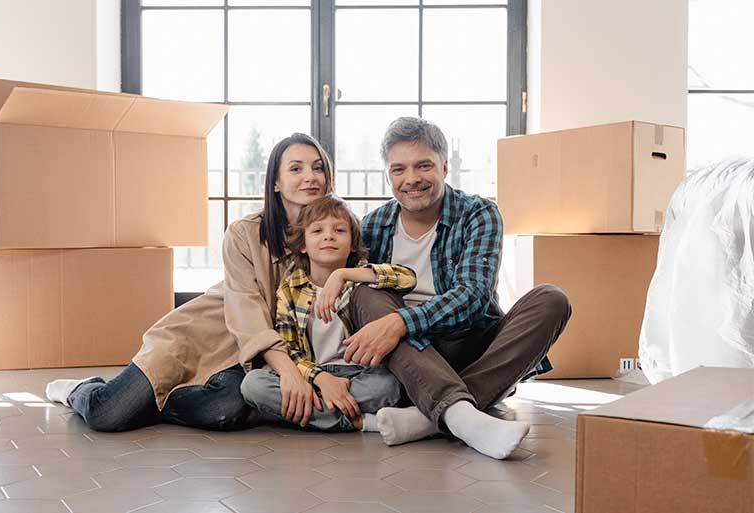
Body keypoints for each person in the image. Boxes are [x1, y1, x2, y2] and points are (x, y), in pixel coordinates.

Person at [45, 133, 333, 432]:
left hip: (249, 358)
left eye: (318, 168)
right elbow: (247, 315)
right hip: (199, 338)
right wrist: (291, 373)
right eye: (296, 169)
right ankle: (81, 389)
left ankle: (154, 405)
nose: (310, 177)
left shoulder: (335, 233)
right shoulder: (244, 233)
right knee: (108, 415)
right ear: (276, 182)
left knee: (226, 410)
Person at [343, 117, 572, 460]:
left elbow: (474, 296)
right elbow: (362, 306)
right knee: (364, 292)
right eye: (398, 170)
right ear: (388, 174)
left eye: (424, 165)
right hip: (412, 357)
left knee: (552, 300)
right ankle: (464, 416)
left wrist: (401, 323)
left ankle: (430, 418)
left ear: (445, 167)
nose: (411, 180)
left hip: (470, 342)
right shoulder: (374, 224)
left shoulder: (478, 213)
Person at [240, 195, 416, 432]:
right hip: (312, 375)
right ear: (302, 244)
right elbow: (289, 349)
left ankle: (317, 416)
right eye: (317, 231)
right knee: (253, 385)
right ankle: (359, 421)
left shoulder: (361, 279)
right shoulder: (290, 289)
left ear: (353, 242)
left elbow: (407, 278)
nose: (328, 236)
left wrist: (344, 275)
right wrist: (321, 380)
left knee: (389, 385)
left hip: (358, 374)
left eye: (340, 230)